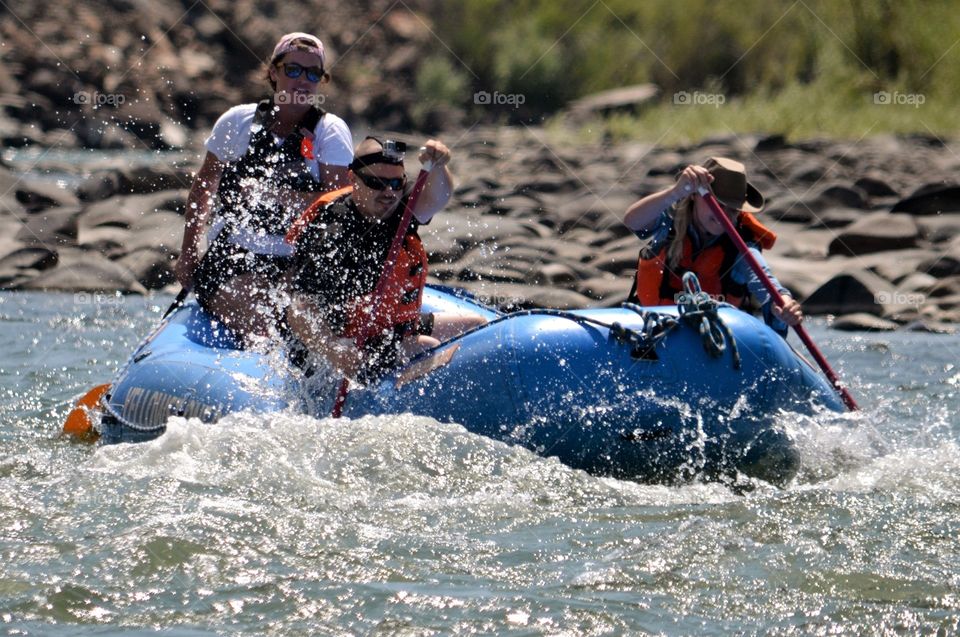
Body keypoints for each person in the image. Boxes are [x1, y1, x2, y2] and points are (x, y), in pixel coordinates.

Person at [174, 32, 353, 342]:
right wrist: (188, 252)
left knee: (299, 316)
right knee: (262, 318)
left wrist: (282, 197)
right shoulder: (236, 122)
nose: (303, 80)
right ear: (274, 72)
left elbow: (340, 202)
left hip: (297, 261)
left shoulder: (330, 132)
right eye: (293, 69)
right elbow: (203, 188)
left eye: (313, 73)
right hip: (233, 257)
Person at [285, 136, 486, 380]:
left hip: (385, 329)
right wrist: (334, 351)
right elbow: (299, 310)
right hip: (341, 342)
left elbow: (437, 197)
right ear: (353, 179)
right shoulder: (331, 235)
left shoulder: (396, 201)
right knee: (427, 347)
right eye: (376, 182)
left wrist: (439, 166)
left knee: (476, 325)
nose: (388, 192)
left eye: (395, 182)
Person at [622, 157, 803, 336]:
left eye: (733, 210)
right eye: (718, 205)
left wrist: (784, 305)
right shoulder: (669, 222)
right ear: (695, 196)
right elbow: (632, 221)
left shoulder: (741, 246)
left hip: (713, 340)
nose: (723, 216)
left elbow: (768, 286)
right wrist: (676, 192)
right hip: (654, 331)